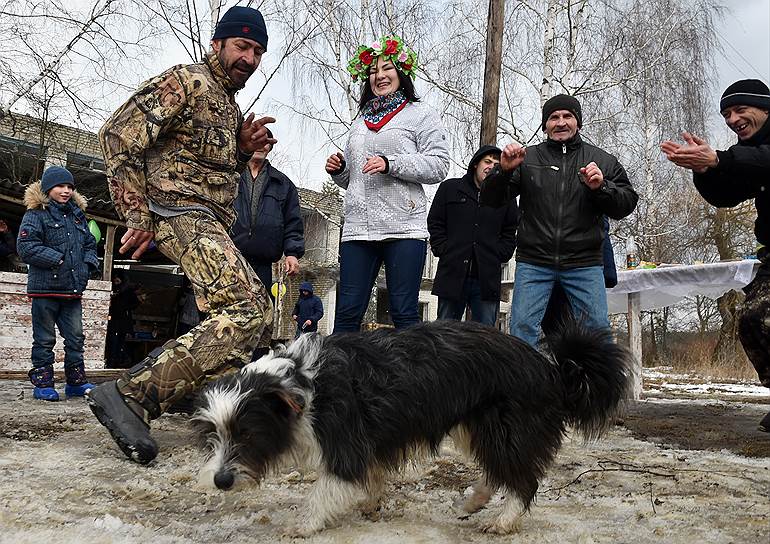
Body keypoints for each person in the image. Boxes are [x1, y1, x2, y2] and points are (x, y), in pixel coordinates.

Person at [87, 5, 277, 464]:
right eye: (241, 46)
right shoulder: (187, 82)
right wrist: (137, 215)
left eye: (257, 51)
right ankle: (132, 394)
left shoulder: (228, 105)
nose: (249, 59)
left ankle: (214, 411)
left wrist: (240, 149)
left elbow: (203, 164)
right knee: (246, 307)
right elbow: (117, 135)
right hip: (177, 211)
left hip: (208, 218)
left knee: (256, 315)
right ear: (218, 44)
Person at [481, 94, 638, 347]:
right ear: (545, 125)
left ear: (578, 122)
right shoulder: (527, 159)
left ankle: (601, 387)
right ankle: (525, 387)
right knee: (522, 329)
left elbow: (627, 203)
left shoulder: (602, 160)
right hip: (535, 261)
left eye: (568, 116)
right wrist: (503, 170)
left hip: (584, 262)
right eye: (554, 117)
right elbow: (490, 199)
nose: (561, 122)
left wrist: (602, 188)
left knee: (597, 331)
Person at [661, 79, 770, 432]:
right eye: (726, 114)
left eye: (740, 110)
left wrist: (721, 158)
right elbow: (728, 195)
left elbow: (760, 161)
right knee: (752, 321)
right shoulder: (748, 150)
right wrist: (704, 170)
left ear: (764, 108)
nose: (732, 119)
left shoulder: (754, 152)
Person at [325, 35, 450, 332]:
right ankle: (340, 377)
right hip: (358, 229)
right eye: (372, 71)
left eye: (387, 68)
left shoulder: (421, 115)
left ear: (402, 73)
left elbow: (439, 165)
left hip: (403, 227)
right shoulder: (359, 121)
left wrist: (392, 163)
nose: (379, 76)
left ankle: (409, 379)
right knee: (347, 312)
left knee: (404, 312)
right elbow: (357, 178)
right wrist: (341, 170)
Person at [16, 166, 98, 401]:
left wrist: (86, 266)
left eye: (70, 187)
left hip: (72, 290)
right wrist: (59, 260)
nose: (66, 191)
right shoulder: (35, 214)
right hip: (45, 290)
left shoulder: (77, 215)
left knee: (76, 338)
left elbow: (90, 245)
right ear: (48, 187)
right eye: (61, 186)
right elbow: (26, 247)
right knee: (44, 339)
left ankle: (76, 383)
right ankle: (43, 384)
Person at [427, 145, 519, 326]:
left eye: (496, 163)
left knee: (485, 337)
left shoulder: (506, 197)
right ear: (476, 164)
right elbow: (435, 222)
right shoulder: (450, 188)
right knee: (444, 333)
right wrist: (443, 249)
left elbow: (510, 231)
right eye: (487, 161)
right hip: (452, 274)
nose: (491, 166)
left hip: (486, 279)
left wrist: (500, 254)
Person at [231, 127, 304, 299]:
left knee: (261, 314)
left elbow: (293, 222)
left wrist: (292, 253)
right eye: (256, 140)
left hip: (263, 264)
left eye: (265, 141)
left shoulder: (283, 184)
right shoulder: (229, 176)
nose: (260, 145)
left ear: (269, 147)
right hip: (228, 259)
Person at [541, 216, 617, 336]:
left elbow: (601, 224)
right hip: (549, 256)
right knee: (555, 322)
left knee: (593, 325)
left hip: (583, 258)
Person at [106, 269, 140, 367]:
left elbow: (135, 303)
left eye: (118, 280)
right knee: (113, 342)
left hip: (123, 321)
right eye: (114, 280)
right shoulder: (112, 290)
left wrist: (124, 308)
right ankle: (112, 362)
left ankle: (117, 361)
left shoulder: (128, 291)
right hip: (113, 320)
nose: (116, 282)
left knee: (119, 342)